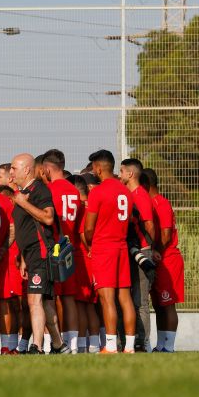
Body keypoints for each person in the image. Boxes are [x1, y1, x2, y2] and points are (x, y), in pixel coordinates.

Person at [9, 154, 68, 355]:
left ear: (26, 170)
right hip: (32, 255)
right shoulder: (22, 192)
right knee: (46, 303)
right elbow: (26, 228)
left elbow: (48, 218)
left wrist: (22, 203)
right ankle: (59, 345)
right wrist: (24, 258)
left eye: (14, 168)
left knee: (34, 301)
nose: (11, 172)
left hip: (42, 253)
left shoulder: (39, 190)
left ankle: (37, 346)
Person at [83, 150, 137, 354]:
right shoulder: (125, 191)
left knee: (107, 298)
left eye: (94, 167)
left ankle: (111, 345)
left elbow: (89, 228)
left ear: (98, 168)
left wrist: (90, 243)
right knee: (125, 297)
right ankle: (130, 347)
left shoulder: (97, 192)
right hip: (122, 246)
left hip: (104, 248)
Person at [42, 149, 82, 353]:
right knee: (70, 299)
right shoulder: (74, 190)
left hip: (55, 249)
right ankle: (73, 344)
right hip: (71, 248)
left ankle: (55, 343)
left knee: (52, 299)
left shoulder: (50, 190)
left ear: (48, 169)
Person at [144, 168, 184, 352]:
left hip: (168, 260)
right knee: (159, 305)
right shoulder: (151, 203)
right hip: (159, 260)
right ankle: (160, 345)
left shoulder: (161, 204)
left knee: (167, 305)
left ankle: (169, 346)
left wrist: (155, 251)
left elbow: (166, 235)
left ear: (147, 184)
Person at [119, 158, 156, 352]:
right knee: (132, 298)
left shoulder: (140, 195)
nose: (120, 175)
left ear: (130, 174)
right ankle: (133, 340)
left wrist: (151, 248)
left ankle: (144, 342)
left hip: (141, 250)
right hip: (132, 252)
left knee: (140, 300)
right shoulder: (128, 194)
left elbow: (149, 224)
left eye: (122, 171)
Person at [69, 174, 102, 353]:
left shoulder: (81, 208)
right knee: (91, 305)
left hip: (82, 258)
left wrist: (88, 247)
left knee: (80, 304)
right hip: (93, 258)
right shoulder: (92, 206)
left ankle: (82, 345)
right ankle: (95, 344)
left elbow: (83, 233)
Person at [0, 184, 22, 354]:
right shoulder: (2, 214)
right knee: (4, 303)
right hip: (5, 262)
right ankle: (8, 345)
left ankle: (17, 345)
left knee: (19, 304)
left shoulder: (17, 213)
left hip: (14, 261)